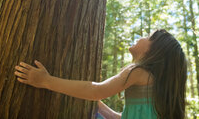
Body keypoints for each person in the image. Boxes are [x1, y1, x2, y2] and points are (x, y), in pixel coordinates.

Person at [14, 29, 187, 119]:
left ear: (154, 51)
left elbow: (95, 90)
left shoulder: (137, 72)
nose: (142, 37)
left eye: (148, 36)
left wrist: (46, 81)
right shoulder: (153, 89)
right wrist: (97, 105)